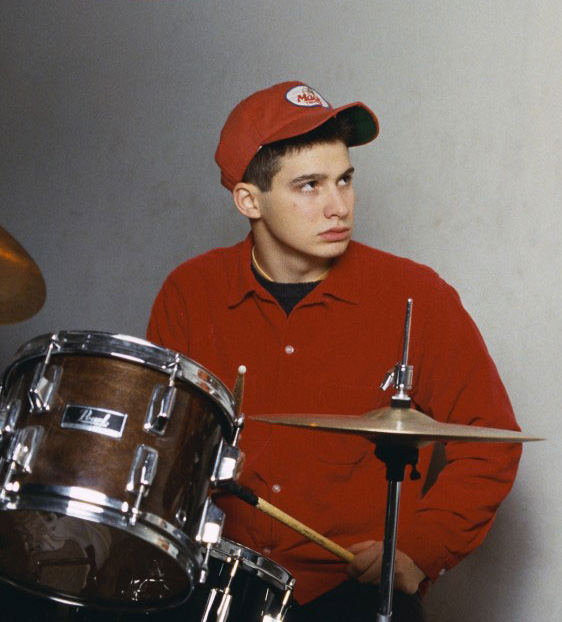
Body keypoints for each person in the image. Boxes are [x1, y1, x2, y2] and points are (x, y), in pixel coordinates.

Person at [147, 81, 521, 621]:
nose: (337, 205)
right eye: (309, 186)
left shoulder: (419, 295)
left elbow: (492, 442)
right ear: (249, 200)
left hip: (349, 594)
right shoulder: (189, 292)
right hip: (213, 581)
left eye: (345, 180)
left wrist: (420, 547)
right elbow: (160, 446)